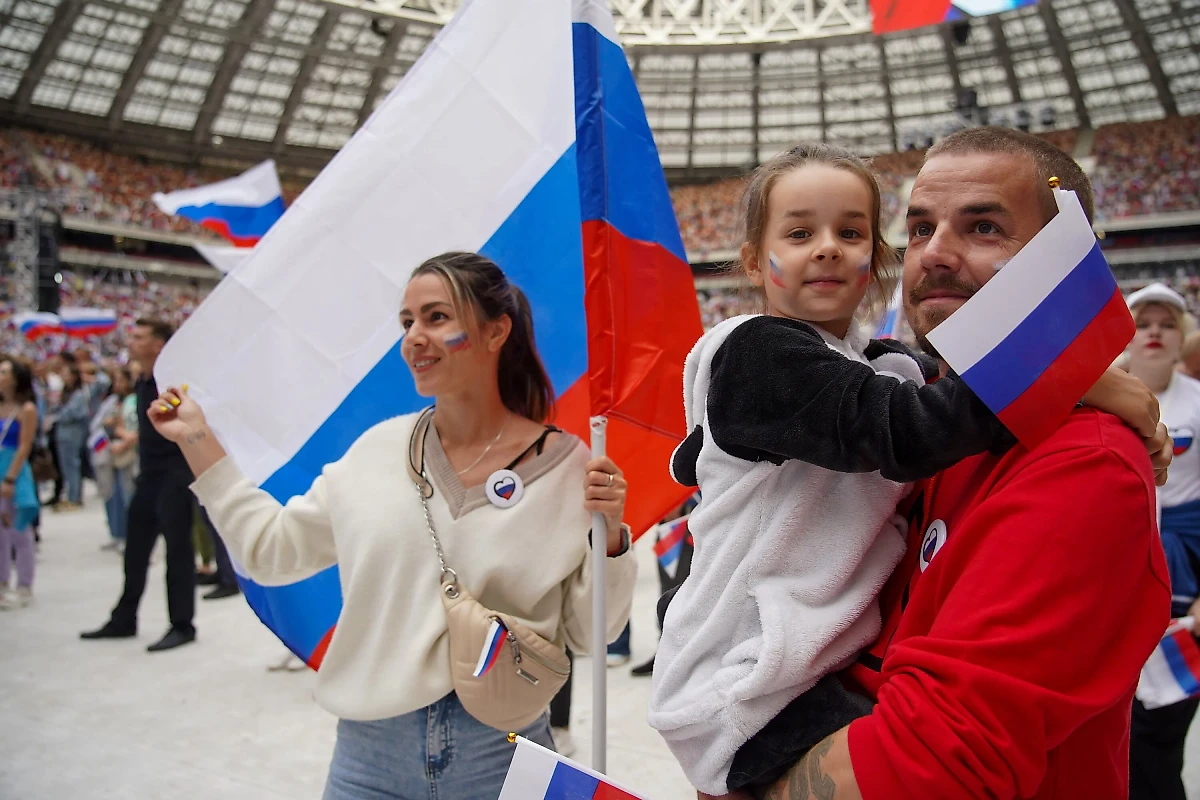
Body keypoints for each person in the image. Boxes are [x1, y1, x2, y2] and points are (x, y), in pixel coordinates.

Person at [648, 141, 1137, 797]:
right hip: (746, 689)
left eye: (983, 226)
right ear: (753, 262)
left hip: (796, 683)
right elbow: (901, 428)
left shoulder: (1083, 461)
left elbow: (939, 756)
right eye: (921, 228)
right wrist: (1064, 370)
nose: (933, 252)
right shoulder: (758, 353)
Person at [145, 252, 637, 800]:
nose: (414, 337)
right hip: (367, 761)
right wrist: (196, 439)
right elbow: (270, 551)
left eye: (436, 317)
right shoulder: (375, 452)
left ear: (497, 331)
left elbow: (596, 632)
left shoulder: (571, 466)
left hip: (502, 755)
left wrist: (611, 537)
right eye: (407, 322)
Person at [80, 319, 199, 653]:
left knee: (177, 551)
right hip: (148, 474)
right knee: (135, 549)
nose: (131, 341)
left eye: (140, 337)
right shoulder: (142, 379)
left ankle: (182, 623)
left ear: (159, 345)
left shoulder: (171, 380)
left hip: (174, 474)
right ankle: (125, 617)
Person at [1125, 283, 1200, 800]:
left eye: (1167, 323)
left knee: (1162, 731)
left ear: (1183, 337)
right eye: (1145, 321)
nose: (1155, 331)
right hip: (1120, 557)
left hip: (1187, 564)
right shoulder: (1100, 390)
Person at [0, 358, 43, 610]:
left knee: (18, 530)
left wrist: (10, 478)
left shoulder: (26, 408)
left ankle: (24, 584)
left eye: (4, 371)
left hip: (13, 468)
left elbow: (25, 445)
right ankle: (2, 583)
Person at [52, 362, 89, 509]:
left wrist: (56, 416)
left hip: (72, 433)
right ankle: (70, 495)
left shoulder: (79, 394)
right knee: (66, 466)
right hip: (62, 433)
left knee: (72, 465)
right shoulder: (64, 392)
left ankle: (75, 497)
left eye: (67, 374)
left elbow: (74, 413)